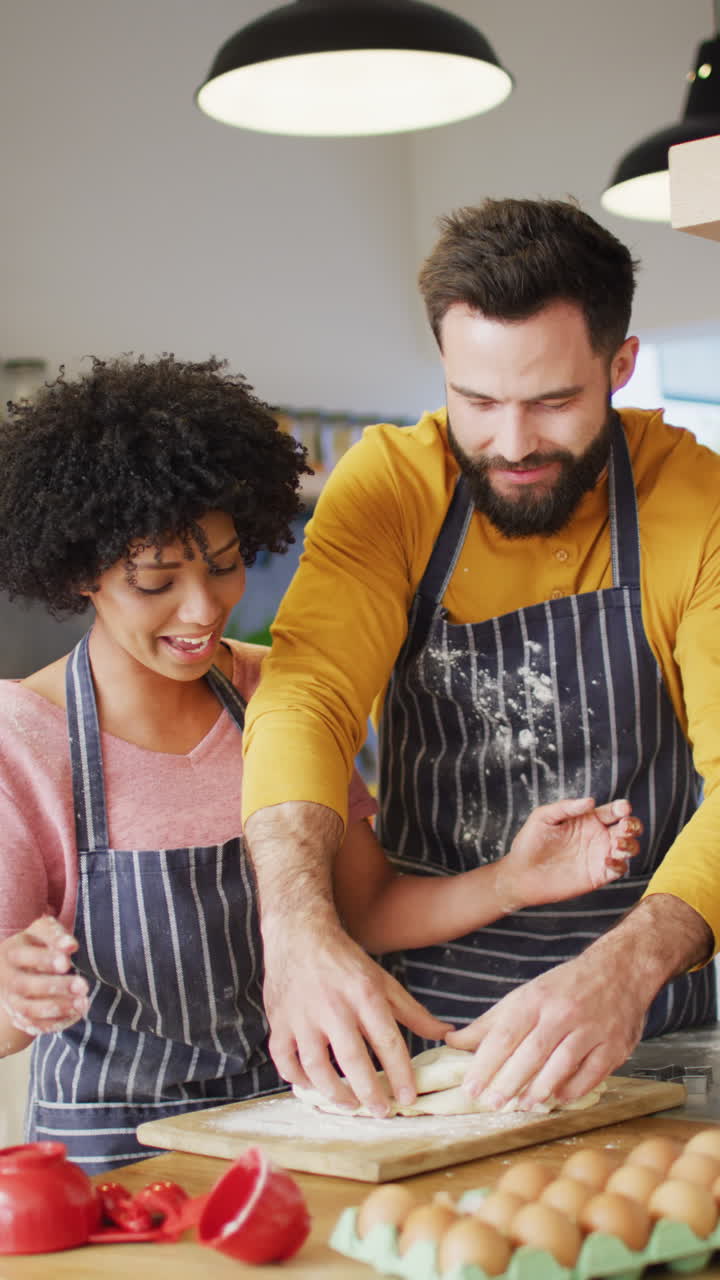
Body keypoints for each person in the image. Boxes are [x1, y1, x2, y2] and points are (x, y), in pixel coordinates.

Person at [0, 353, 640, 1170]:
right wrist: (15, 993)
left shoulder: (278, 693)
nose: (202, 609)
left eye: (225, 566)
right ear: (82, 572)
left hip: (295, 1128)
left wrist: (515, 879)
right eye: (156, 581)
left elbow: (363, 910)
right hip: (111, 1158)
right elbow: (7, 1021)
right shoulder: (23, 738)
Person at [241, 196, 720, 1119]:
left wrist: (628, 967)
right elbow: (307, 703)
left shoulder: (695, 500)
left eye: (553, 402)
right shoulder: (391, 488)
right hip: (425, 1046)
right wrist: (296, 931)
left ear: (619, 365)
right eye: (478, 401)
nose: (511, 443)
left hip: (651, 1028)